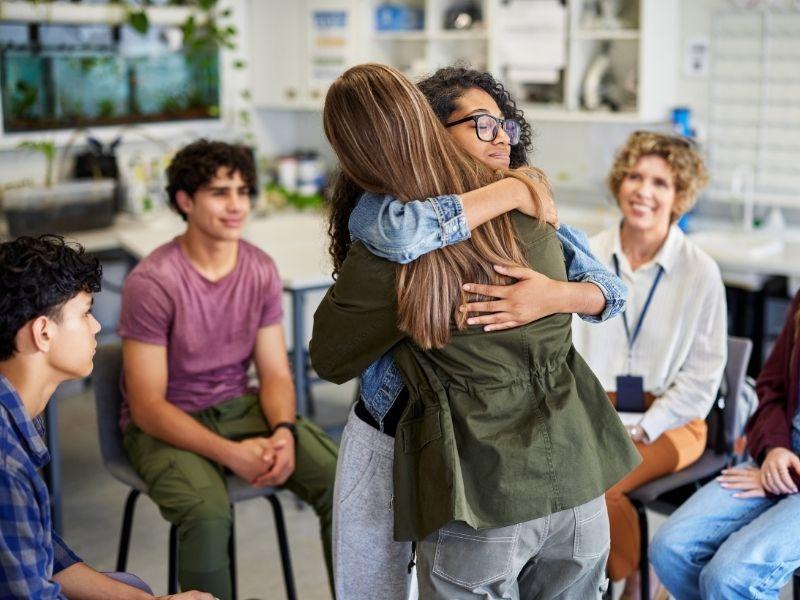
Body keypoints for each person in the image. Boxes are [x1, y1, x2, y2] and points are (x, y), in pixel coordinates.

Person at [312, 63, 640, 599]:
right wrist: (519, 199)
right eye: (481, 124)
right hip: (578, 481)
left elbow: (330, 357)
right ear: (428, 131)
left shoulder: (394, 257)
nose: (500, 138)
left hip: (482, 491)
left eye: (502, 125)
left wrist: (557, 294)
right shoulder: (530, 216)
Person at [118, 140, 338, 600]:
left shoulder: (259, 269)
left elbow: (276, 374)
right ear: (185, 201)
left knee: (344, 485)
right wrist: (230, 453)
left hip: (239, 406)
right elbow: (146, 406)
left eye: (242, 191)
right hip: (166, 422)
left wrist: (282, 430)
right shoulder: (152, 282)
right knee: (207, 514)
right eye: (220, 193)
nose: (237, 205)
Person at [0, 234, 211, 600]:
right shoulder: (7, 465)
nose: (97, 326)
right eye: (85, 313)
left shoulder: (17, 415)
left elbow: (41, 552)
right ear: (43, 332)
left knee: (134, 589)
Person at [567, 131, 728, 598]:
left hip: (675, 422)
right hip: (595, 412)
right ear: (620, 182)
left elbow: (701, 379)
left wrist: (647, 425)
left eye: (660, 182)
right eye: (635, 176)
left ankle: (634, 582)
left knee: (599, 485)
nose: (643, 190)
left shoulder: (700, 272)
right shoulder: (586, 255)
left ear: (679, 196)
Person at [650, 289, 800, 600]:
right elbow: (772, 385)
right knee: (670, 548)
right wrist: (774, 449)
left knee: (731, 577)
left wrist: (786, 476)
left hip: (788, 472)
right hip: (782, 450)